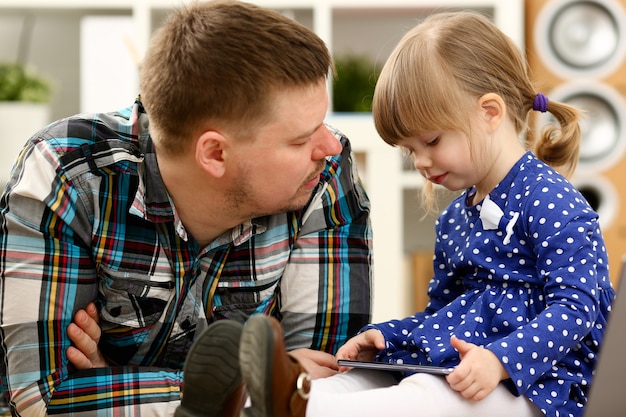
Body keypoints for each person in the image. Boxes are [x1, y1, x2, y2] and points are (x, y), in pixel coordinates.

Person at [204, 10, 615, 417]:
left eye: (431, 140)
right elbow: (442, 315)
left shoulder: (551, 200)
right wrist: (386, 334)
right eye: (410, 150)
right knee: (361, 377)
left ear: (489, 112)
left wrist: (501, 360)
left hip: (542, 382)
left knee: (427, 390)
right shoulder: (456, 220)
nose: (420, 161)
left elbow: (576, 310)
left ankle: (290, 409)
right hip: (465, 368)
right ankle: (260, 401)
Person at [0, 0, 373, 415]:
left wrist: (108, 379)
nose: (331, 145)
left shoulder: (324, 172)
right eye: (301, 138)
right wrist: (252, 387)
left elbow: (324, 387)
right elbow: (38, 398)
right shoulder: (69, 172)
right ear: (214, 153)